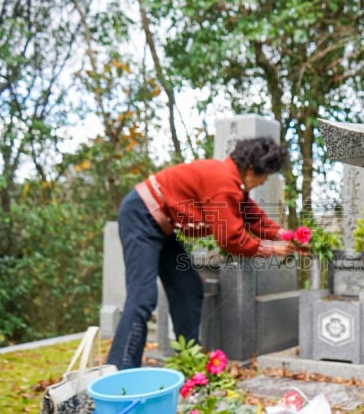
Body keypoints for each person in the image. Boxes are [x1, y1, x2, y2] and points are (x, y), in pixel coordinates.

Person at [107, 137, 297, 370]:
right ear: (250, 169)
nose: (263, 181)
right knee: (142, 298)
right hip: (141, 216)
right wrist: (271, 248)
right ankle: (119, 372)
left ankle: (189, 362)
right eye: (263, 176)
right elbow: (230, 239)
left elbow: (252, 217)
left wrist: (285, 236)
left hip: (162, 226)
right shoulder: (223, 181)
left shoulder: (232, 181)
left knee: (188, 289)